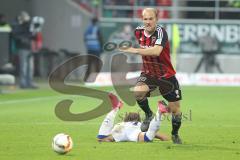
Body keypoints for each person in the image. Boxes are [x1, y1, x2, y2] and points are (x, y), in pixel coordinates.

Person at [119, 8, 183, 144]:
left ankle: (175, 134)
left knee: (175, 110)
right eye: (145, 19)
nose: (148, 22)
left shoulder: (161, 32)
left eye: (150, 19)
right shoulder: (138, 32)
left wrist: (133, 50)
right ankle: (149, 114)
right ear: (142, 20)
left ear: (156, 19)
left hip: (166, 75)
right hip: (148, 73)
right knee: (138, 92)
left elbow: (156, 51)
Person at [97, 93, 170, 142]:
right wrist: (155, 134)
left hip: (119, 130)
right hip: (134, 133)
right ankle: (159, 112)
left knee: (102, 137)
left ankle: (115, 109)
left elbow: (106, 139)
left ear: (125, 119)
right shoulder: (140, 125)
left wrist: (103, 139)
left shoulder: (120, 124)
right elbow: (164, 138)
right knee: (148, 137)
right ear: (138, 120)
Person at [12, 11, 38, 89]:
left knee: (30, 67)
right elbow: (15, 35)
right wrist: (25, 38)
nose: (26, 18)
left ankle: (29, 82)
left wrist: (34, 31)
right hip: (22, 48)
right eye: (24, 17)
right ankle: (23, 83)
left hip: (29, 47)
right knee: (23, 66)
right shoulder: (18, 26)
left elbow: (33, 36)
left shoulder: (29, 26)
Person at [84, 17, 103, 82]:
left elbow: (85, 39)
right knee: (97, 65)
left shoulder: (87, 29)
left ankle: (86, 78)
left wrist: (88, 46)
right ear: (96, 22)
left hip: (89, 49)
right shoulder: (96, 29)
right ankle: (97, 79)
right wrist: (101, 49)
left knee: (89, 65)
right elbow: (100, 39)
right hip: (96, 49)